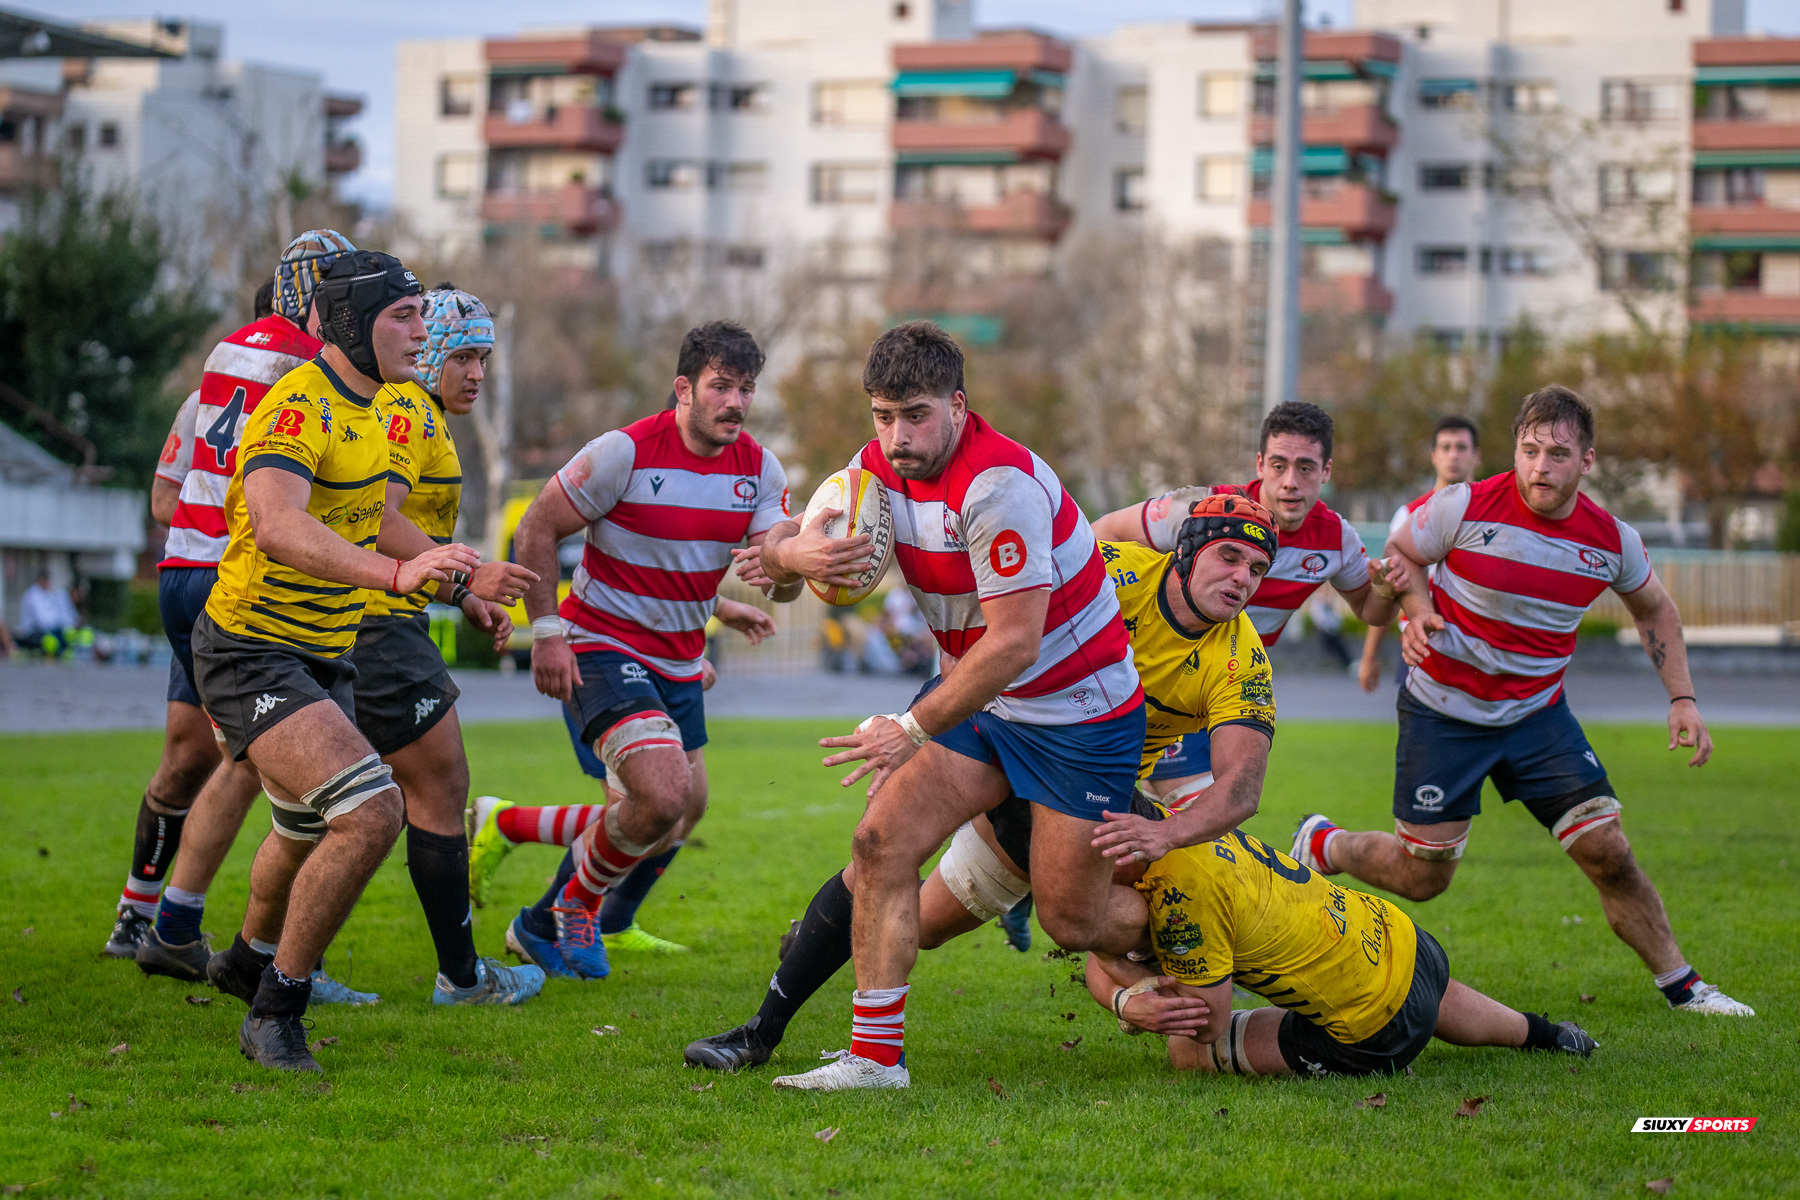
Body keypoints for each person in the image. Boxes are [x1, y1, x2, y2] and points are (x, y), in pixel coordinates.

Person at [685, 496, 1282, 1074]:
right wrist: (918, 727)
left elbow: (1240, 788)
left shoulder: (1242, 658)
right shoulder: (1113, 569)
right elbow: (985, 619)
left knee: (948, 922)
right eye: (1229, 558)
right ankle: (762, 1029)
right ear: (1187, 551)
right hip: (1004, 726)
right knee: (878, 855)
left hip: (1083, 783)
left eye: (1257, 569)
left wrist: (1168, 834)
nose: (1242, 579)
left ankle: (835, 936)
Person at [743, 321, 1146, 1092]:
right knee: (879, 844)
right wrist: (791, 553)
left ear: (958, 406)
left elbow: (1016, 644)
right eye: (882, 415)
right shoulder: (874, 471)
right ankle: (875, 1060)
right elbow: (774, 563)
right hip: (987, 707)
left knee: (1071, 921)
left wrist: (910, 725)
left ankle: (1190, 920)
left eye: (916, 414)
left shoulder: (998, 488)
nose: (896, 436)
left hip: (1076, 716)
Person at [1292, 386, 1753, 1018]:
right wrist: (1420, 612)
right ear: (1514, 448)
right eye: (1530, 450)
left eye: (1558, 454)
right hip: (1444, 711)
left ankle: (1684, 987)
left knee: (1609, 851)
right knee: (1424, 877)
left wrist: (1683, 699)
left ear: (1586, 460)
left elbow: (1657, 610)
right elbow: (1402, 553)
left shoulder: (1611, 541)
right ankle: (1326, 846)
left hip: (1537, 715)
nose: (1540, 467)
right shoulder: (1463, 505)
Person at [192, 250, 484, 1071]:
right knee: (373, 810)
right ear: (352, 322)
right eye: (405, 316)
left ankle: (248, 959)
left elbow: (371, 515)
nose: (421, 333)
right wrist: (397, 576)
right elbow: (279, 523)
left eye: (422, 317)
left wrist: (456, 571)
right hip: (252, 648)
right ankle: (276, 1007)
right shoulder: (298, 403)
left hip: (325, 651)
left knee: (302, 824)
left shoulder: (382, 404)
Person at [231, 284, 543, 1007]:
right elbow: (380, 518)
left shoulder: (413, 409)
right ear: (423, 348)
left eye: (485, 359)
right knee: (435, 790)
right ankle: (460, 978)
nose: (475, 374)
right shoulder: (403, 410)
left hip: (367, 619)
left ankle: (268, 959)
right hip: (373, 622)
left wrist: (460, 594)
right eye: (462, 355)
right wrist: (465, 568)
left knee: (316, 814)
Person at [114, 236, 372, 1012]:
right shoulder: (314, 377)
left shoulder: (225, 355)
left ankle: (157, 918)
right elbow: (279, 499)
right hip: (240, 577)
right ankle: (266, 950)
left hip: (183, 566)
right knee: (295, 773)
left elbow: (167, 496)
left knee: (204, 756)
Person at [507, 321, 798, 982]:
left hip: (679, 659)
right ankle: (580, 907)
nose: (735, 402)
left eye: (746, 389)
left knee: (682, 811)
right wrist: (548, 633)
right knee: (662, 797)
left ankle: (538, 919)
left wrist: (788, 573)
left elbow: (777, 567)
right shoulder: (626, 452)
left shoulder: (759, 468)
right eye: (720, 386)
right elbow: (537, 527)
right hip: (599, 646)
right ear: (683, 389)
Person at [1089, 401, 1410, 815]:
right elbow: (1103, 535)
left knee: (1201, 823)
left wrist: (1386, 592)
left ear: (1326, 472)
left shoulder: (1337, 540)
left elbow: (1371, 611)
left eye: (1306, 468)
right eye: (1279, 465)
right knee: (1193, 825)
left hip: (1223, 685)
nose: (1290, 482)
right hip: (1145, 678)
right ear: (1260, 463)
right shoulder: (1205, 512)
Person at [1084, 825, 1597, 1078]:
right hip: (1404, 941)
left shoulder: (1176, 898)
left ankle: (1379, 1060)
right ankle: (1550, 1035)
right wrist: (1127, 993)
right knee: (1404, 986)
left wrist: (1137, 993)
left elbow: (1207, 1024)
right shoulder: (1183, 822)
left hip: (1377, 1027)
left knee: (1188, 1053)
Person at [465, 596, 774, 959]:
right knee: (644, 809)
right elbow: (631, 560)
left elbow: (682, 561)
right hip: (615, 660)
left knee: (685, 807)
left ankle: (608, 915)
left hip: (672, 661)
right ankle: (541, 923)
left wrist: (712, 612)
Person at [1358, 415, 1480, 693]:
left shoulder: (1491, 517)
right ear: (1434, 456)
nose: (1453, 455)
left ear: (1476, 455)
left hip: (1476, 653)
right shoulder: (1409, 515)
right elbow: (1388, 588)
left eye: (1461, 447)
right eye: (1446, 447)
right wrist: (1369, 656)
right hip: (1420, 649)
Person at [17, 568, 79, 656]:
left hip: (48, 630)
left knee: (70, 634)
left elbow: (57, 614)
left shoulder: (48, 594)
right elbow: (42, 621)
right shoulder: (32, 595)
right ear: (41, 580)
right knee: (53, 641)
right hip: (33, 633)